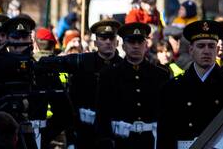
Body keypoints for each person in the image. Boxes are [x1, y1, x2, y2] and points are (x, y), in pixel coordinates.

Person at [41, 19, 125, 148]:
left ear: (117, 41)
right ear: (96, 42)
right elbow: (53, 63)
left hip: (114, 134)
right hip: (85, 133)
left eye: (111, 38)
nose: (108, 42)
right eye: (103, 38)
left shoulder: (123, 66)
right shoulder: (83, 61)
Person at [156, 19, 223, 149]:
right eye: (201, 46)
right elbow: (165, 137)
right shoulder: (173, 88)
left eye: (211, 46)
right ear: (191, 50)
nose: (207, 51)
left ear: (217, 49)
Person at [96, 22, 170, 148]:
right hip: (121, 141)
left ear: (146, 45)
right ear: (123, 46)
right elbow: (102, 114)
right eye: (131, 42)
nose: (136, 46)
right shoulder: (109, 75)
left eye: (140, 42)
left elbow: (167, 115)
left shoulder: (160, 74)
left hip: (151, 141)